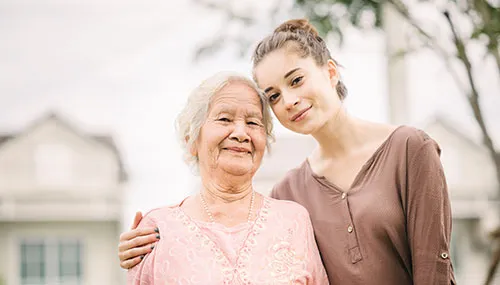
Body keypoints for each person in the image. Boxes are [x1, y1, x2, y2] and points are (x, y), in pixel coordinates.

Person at [119, 19, 456, 285]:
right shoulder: (291, 194)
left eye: (295, 81)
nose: (289, 100)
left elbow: (434, 271)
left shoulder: (410, 150)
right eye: (274, 96)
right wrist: (145, 244)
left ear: (330, 71)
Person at [125, 72, 329, 284]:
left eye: (253, 122)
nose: (241, 133)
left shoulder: (294, 221)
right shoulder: (157, 230)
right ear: (192, 140)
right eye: (224, 119)